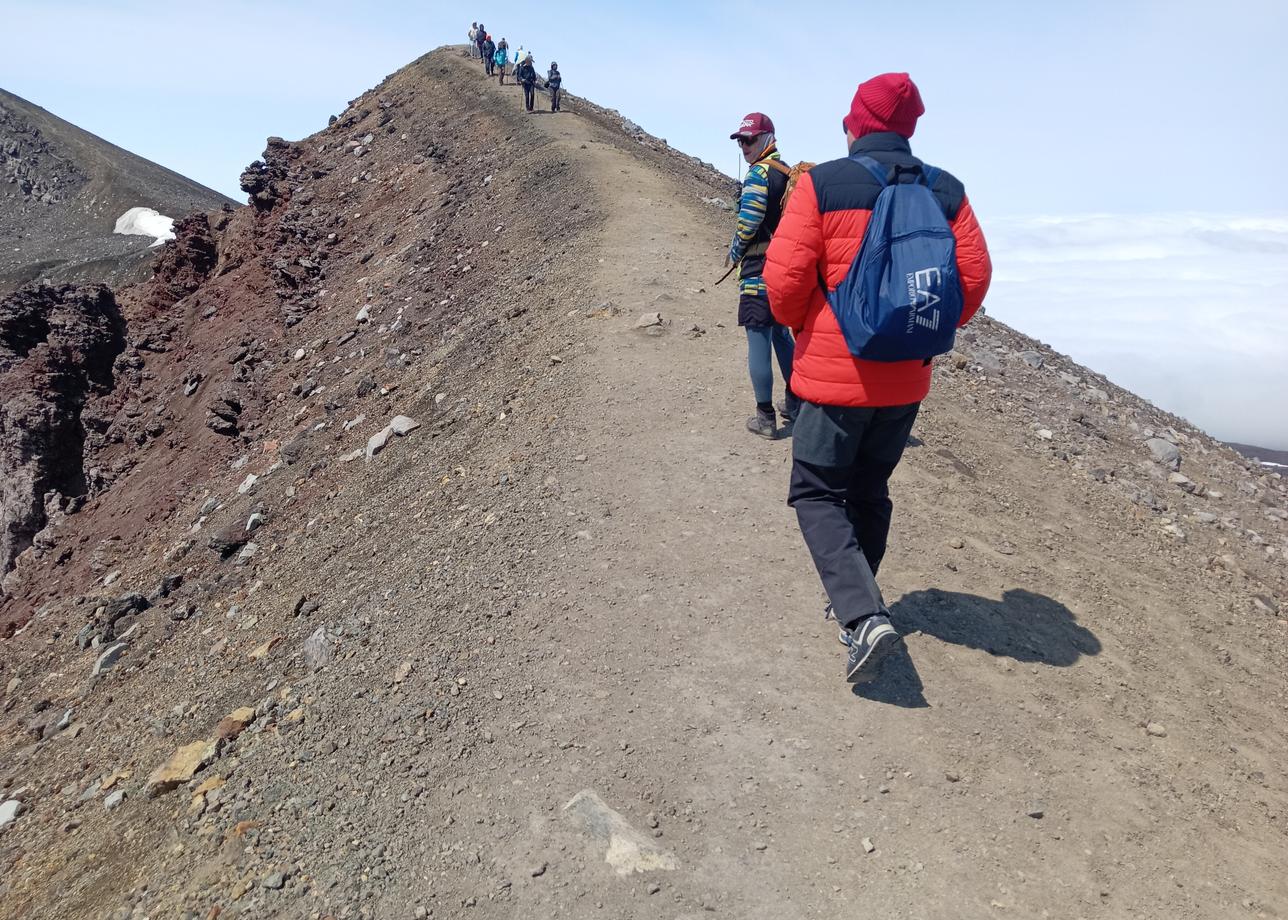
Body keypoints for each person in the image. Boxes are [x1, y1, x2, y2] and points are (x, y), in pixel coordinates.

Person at [764, 73, 992, 683]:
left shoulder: (822, 184)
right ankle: (859, 593)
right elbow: (972, 280)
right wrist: (921, 331)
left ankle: (862, 618)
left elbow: (783, 286)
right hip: (905, 383)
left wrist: (808, 330)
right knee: (869, 488)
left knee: (815, 492)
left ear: (856, 123)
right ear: (908, 127)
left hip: (835, 380)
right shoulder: (946, 190)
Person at [727, 112, 797, 440]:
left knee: (758, 338)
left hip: (758, 270)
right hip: (783, 271)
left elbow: (749, 221)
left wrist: (735, 252)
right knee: (781, 335)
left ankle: (765, 417)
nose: (744, 146)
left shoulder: (759, 174)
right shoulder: (786, 173)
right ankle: (797, 404)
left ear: (768, 138)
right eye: (741, 140)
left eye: (750, 139)